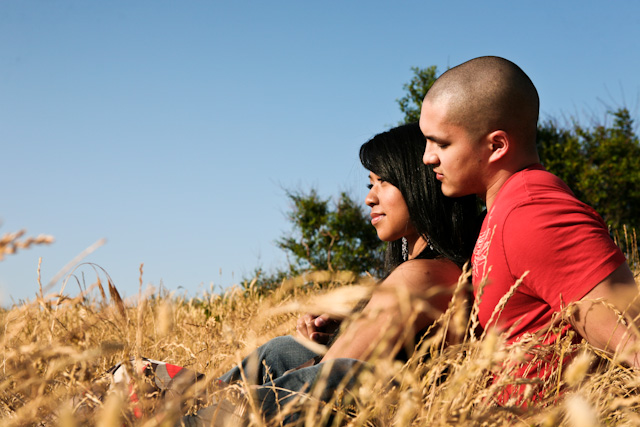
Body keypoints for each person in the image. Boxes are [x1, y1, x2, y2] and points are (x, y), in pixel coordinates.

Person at [108, 123, 480, 425]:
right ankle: (198, 401)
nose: (370, 197)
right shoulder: (417, 267)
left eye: (385, 182)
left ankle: (195, 406)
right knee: (287, 349)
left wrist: (337, 342)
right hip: (338, 406)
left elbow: (333, 370)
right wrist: (343, 324)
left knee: (337, 372)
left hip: (377, 413)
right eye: (370, 184)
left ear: (419, 183)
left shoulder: (423, 275)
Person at [419, 55, 639, 403]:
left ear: (497, 146)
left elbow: (630, 339)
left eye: (441, 143)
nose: (427, 157)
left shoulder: (532, 212)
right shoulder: (503, 209)